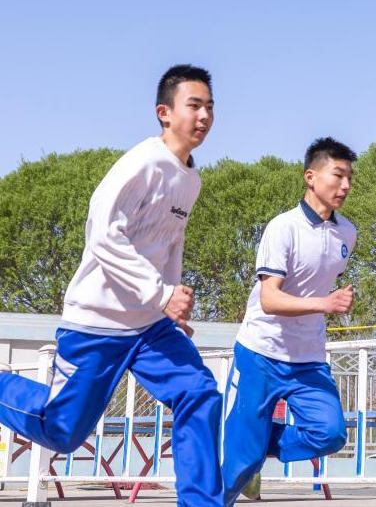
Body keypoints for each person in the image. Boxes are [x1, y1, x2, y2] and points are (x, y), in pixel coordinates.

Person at [0, 65, 222, 506]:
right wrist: (160, 293)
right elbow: (102, 235)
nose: (204, 117)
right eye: (194, 106)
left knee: (198, 392)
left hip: (150, 327)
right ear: (164, 112)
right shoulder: (141, 164)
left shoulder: (190, 178)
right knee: (62, 431)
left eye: (210, 108)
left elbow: (169, 244)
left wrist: (170, 305)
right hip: (97, 322)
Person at [222, 137, 357, 506]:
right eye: (338, 175)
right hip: (261, 352)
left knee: (330, 434)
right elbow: (270, 299)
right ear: (310, 177)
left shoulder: (347, 232)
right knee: (236, 469)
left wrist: (330, 301)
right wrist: (325, 303)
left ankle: (254, 445)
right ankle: (245, 456)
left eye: (350, 178)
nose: (345, 185)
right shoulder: (283, 227)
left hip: (308, 357)